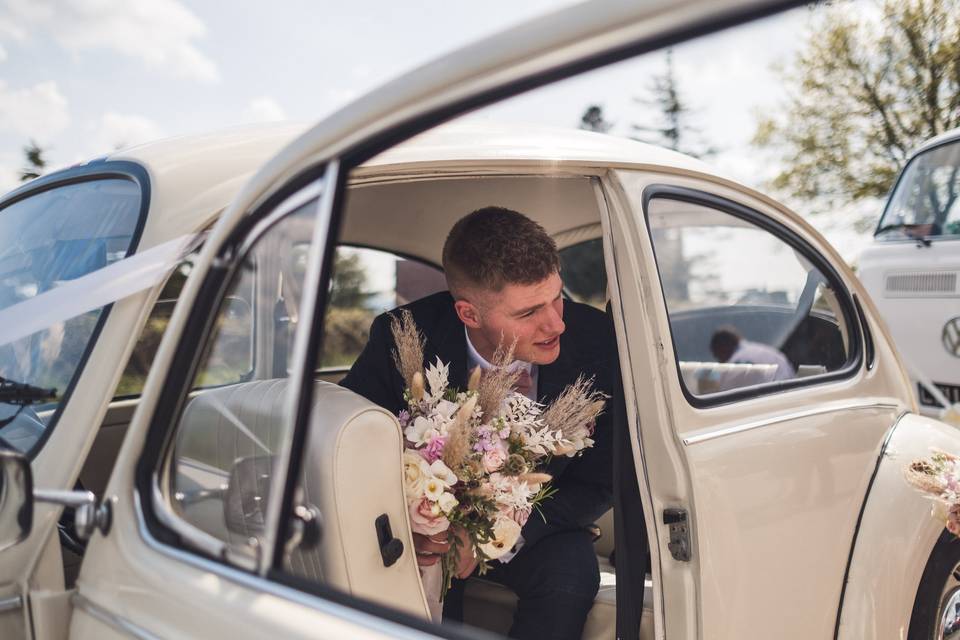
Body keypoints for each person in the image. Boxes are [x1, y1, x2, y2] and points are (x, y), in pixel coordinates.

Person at [340, 206, 619, 640]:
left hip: (540, 522)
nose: (556, 323)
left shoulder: (596, 339)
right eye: (528, 313)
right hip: (424, 528)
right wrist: (416, 527)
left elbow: (605, 476)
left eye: (557, 297)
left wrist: (502, 531)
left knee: (571, 575)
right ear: (469, 314)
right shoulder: (401, 335)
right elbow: (350, 446)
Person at [709, 325, 795, 380]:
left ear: (723, 348)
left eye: (717, 356)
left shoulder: (736, 364)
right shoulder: (772, 352)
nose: (719, 361)